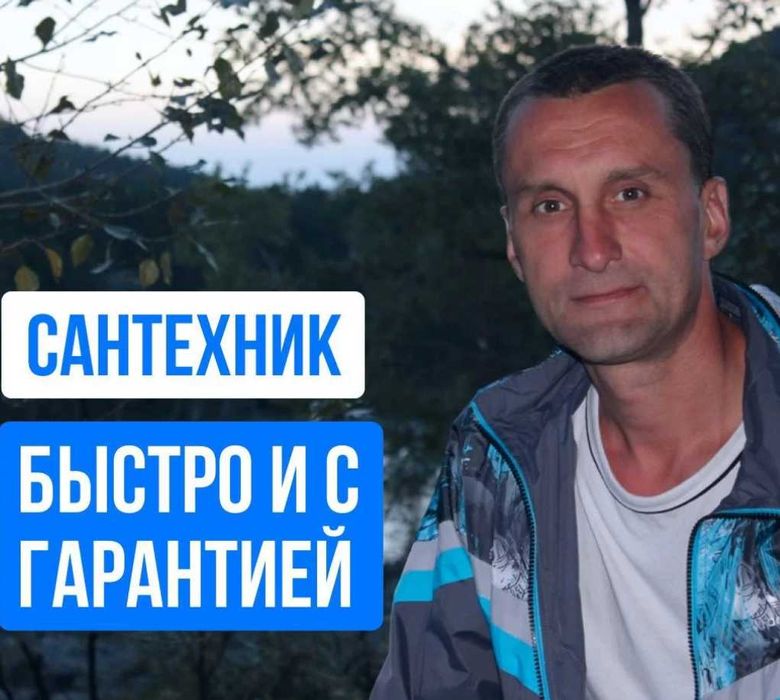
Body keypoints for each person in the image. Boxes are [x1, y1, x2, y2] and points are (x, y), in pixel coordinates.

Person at [370, 44, 780, 700]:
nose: (592, 249)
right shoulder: (495, 460)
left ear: (711, 216)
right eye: (551, 206)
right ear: (514, 245)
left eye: (630, 193)